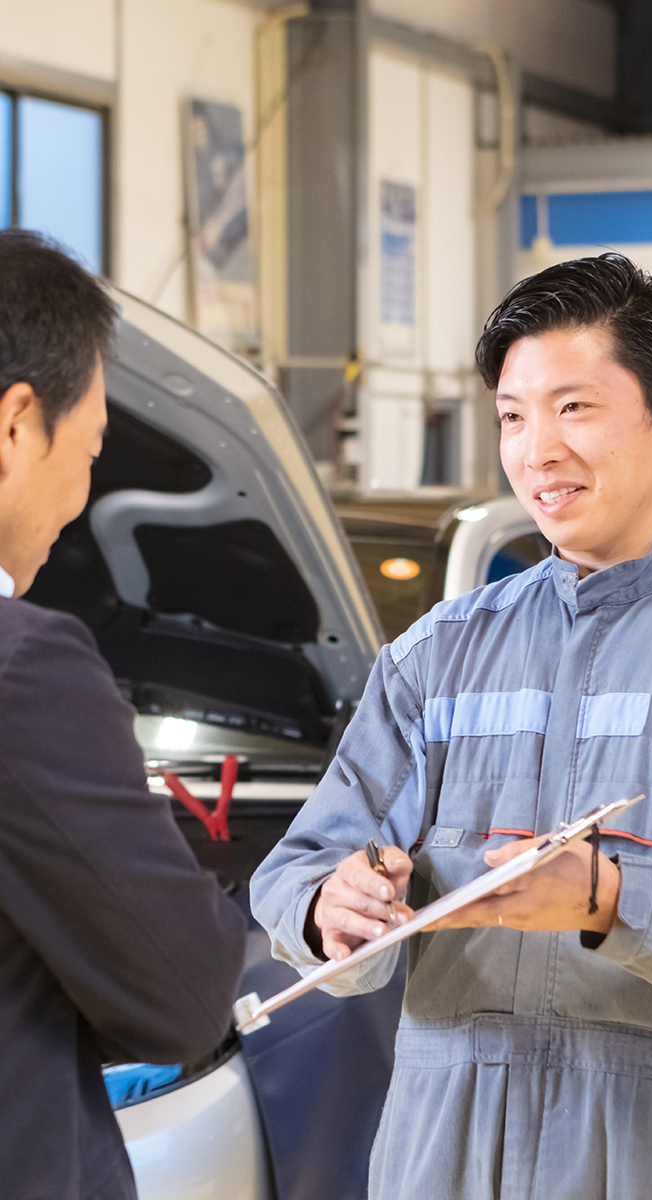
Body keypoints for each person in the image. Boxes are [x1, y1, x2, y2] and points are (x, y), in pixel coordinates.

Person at [252, 251, 652, 1200]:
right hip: (446, 1155)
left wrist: (611, 901)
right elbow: (294, 873)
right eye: (514, 417)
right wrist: (329, 909)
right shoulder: (438, 656)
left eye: (574, 408)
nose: (536, 452)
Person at [0, 228, 247, 1200]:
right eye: (92, 447)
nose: (80, 494)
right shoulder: (24, 670)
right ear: (17, 425)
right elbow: (181, 996)